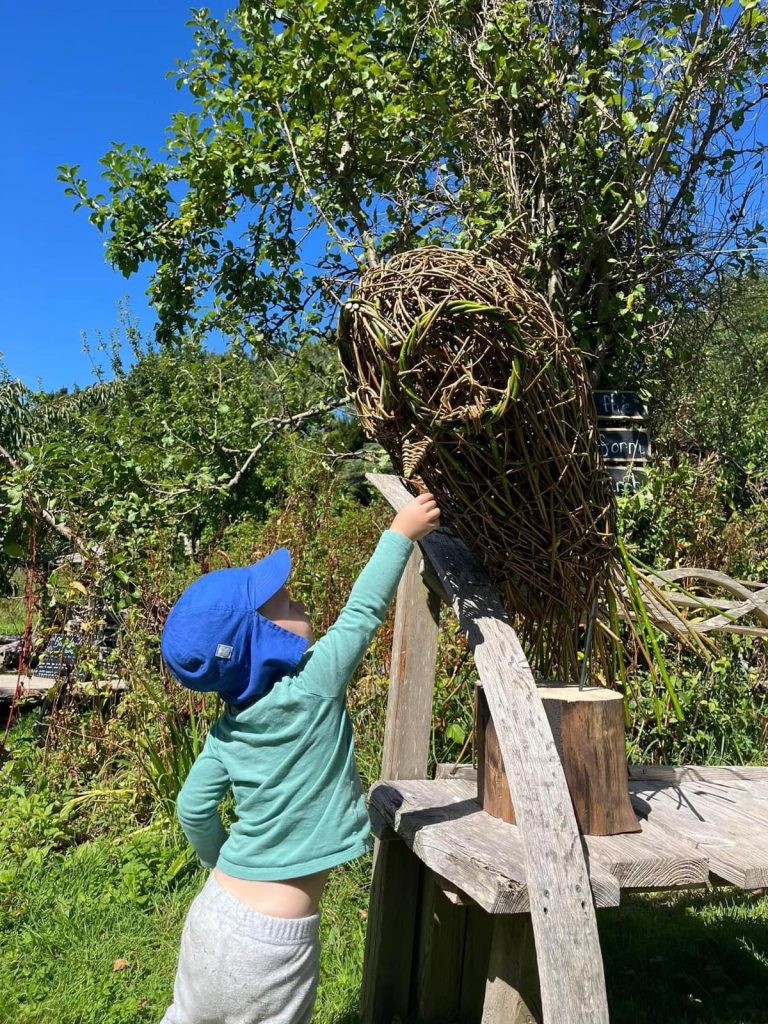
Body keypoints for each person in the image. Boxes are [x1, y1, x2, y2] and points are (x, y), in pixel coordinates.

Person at [158, 491, 441, 1024]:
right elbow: (362, 613)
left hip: (213, 915)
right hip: (271, 947)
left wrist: (220, 861)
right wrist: (400, 533)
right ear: (260, 643)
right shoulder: (314, 685)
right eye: (284, 606)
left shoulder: (225, 734)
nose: (296, 600)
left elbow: (192, 808)